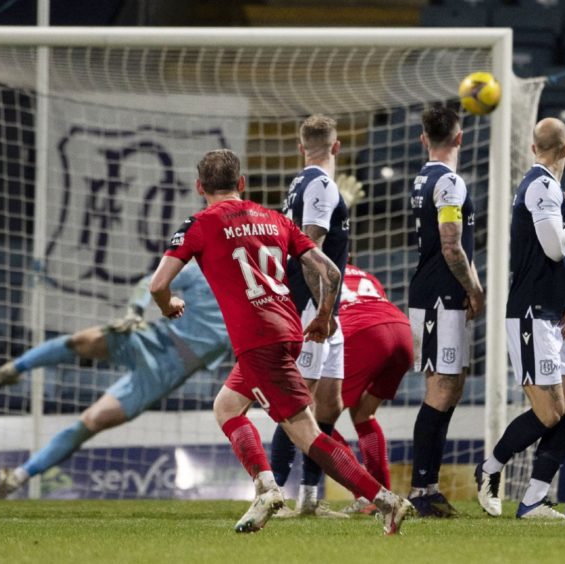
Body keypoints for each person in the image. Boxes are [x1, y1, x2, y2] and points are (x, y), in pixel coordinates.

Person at [152, 149, 411, 534]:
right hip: (290, 330)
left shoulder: (200, 224)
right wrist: (324, 316)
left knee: (306, 433)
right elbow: (331, 271)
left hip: (258, 341)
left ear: (198, 187)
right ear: (241, 184)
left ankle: (385, 502)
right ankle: (267, 488)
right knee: (226, 406)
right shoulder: (276, 218)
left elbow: (159, 284)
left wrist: (168, 304)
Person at [0, 262, 230, 498]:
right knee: (83, 341)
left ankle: (17, 477)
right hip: (153, 339)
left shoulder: (253, 295)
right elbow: (150, 281)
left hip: (165, 374)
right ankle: (9, 371)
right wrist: (135, 311)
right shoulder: (200, 269)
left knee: (93, 420)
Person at [474, 117, 565, 519]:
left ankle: (535, 498)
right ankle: (489, 468)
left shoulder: (553, 190)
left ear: (534, 147)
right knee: (549, 413)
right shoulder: (540, 186)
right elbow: (555, 247)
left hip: (560, 316)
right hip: (531, 315)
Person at [271, 114, 351, 518]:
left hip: (324, 309)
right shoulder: (320, 184)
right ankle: (269, 494)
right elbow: (310, 255)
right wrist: (322, 311)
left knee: (330, 405)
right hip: (311, 310)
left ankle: (309, 499)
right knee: (297, 404)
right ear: (336, 146)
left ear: (302, 147)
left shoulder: (299, 183)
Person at [407, 104, 485, 517]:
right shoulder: (450, 183)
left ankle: (427, 487)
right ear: (459, 138)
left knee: (448, 385)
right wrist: (475, 288)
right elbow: (452, 245)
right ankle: (422, 490)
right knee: (442, 386)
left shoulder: (423, 177)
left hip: (431, 292)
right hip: (442, 295)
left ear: (424, 138)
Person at [332, 263, 414, 515]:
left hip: (363, 333)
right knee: (363, 414)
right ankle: (384, 494)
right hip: (402, 332)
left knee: (311, 418)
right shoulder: (366, 275)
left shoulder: (311, 269)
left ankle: (368, 494)